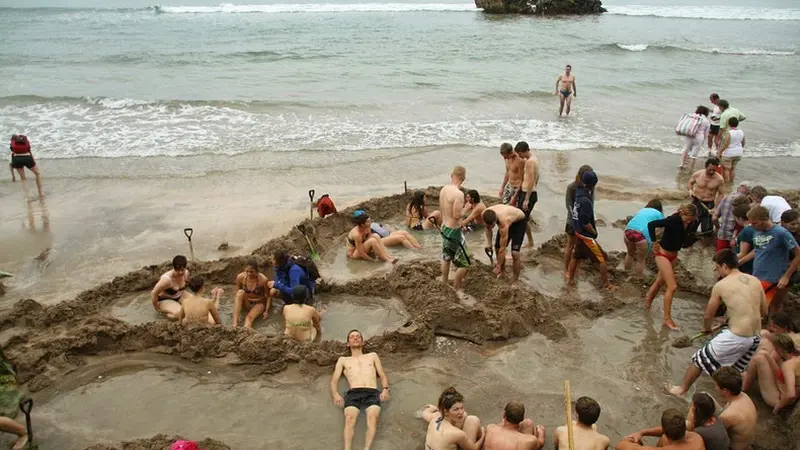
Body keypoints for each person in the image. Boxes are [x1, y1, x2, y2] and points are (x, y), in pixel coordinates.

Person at [669, 249, 766, 397]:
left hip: (738, 336)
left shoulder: (721, 285)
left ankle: (681, 390)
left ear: (725, 266)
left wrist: (707, 329)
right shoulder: (755, 280)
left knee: (699, 359)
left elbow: (708, 315)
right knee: (732, 370)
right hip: (755, 337)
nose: (717, 272)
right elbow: (764, 312)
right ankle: (733, 399)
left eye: (717, 268)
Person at [330, 330, 390, 450]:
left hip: (372, 391)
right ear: (348, 343)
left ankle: (366, 449)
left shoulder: (372, 356)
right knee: (349, 419)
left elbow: (382, 375)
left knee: (372, 418)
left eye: (358, 336)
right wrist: (335, 394)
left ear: (362, 342)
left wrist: (385, 389)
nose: (355, 338)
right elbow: (334, 381)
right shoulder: (343, 360)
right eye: (352, 337)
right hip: (353, 392)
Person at [644, 204, 699, 330]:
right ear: (682, 213)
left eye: (691, 219)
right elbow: (651, 224)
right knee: (672, 286)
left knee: (659, 282)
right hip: (662, 254)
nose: (689, 221)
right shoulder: (673, 220)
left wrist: (693, 238)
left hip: (674, 256)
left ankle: (647, 303)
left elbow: (683, 241)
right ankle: (667, 319)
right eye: (687, 219)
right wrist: (654, 241)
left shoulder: (691, 223)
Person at [626, 393, 728, 450]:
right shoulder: (710, 419)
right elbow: (674, 427)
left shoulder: (699, 434)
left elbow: (620, 446)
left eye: (691, 408)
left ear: (696, 412)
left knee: (664, 438)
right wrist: (642, 432)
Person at [566, 171, 614, 290]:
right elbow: (585, 221)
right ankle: (606, 285)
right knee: (601, 259)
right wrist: (593, 231)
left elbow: (577, 180)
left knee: (576, 257)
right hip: (586, 236)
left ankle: (570, 279)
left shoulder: (578, 192)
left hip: (578, 233)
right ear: (594, 185)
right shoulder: (586, 201)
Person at [748, 205, 799, 312]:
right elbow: (758, 250)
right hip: (757, 276)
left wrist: (786, 276)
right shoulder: (757, 231)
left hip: (774, 278)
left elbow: (798, 254)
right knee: (754, 308)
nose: (751, 226)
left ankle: (772, 326)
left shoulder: (781, 233)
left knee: (770, 307)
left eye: (754, 223)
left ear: (764, 220)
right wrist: (739, 261)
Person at [743, 333, 799, 412]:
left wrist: (778, 407)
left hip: (778, 398)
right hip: (781, 385)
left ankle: (743, 388)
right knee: (763, 354)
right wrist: (768, 357)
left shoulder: (788, 365)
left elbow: (791, 394)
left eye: (775, 349)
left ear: (779, 349)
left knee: (758, 359)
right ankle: (746, 379)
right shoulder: (796, 354)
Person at [440, 166, 470, 290]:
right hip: (454, 231)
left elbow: (442, 209)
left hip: (445, 227)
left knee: (446, 258)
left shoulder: (444, 189)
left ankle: (445, 283)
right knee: (465, 263)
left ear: (451, 175)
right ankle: (456, 288)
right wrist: (466, 209)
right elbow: (457, 215)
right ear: (463, 178)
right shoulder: (458, 194)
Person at [712, 367, 756, 450]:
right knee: (704, 396)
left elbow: (715, 436)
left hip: (733, 447)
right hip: (747, 443)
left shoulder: (728, 415)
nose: (715, 388)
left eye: (716, 385)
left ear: (725, 390)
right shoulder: (744, 396)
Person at [615, 409, 704, 450]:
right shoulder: (697, 438)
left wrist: (632, 440)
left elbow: (619, 446)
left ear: (665, 430)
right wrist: (642, 432)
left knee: (636, 443)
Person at [563, 165, 594, 277]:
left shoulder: (590, 187)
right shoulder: (572, 187)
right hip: (573, 222)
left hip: (585, 223)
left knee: (579, 248)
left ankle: (575, 268)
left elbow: (591, 204)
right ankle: (566, 269)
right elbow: (569, 206)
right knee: (570, 245)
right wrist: (577, 221)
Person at [483, 204, 526, 282]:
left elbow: (503, 248)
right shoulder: (484, 213)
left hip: (519, 222)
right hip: (507, 215)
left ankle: (515, 280)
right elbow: (487, 228)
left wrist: (498, 264)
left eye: (493, 225)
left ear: (495, 220)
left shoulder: (504, 222)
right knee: (497, 247)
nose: (491, 227)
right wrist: (489, 244)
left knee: (515, 253)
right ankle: (502, 272)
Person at [624, 199, 664, 277]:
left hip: (628, 231)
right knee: (640, 259)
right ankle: (638, 277)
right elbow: (662, 228)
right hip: (642, 235)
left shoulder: (642, 210)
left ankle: (626, 272)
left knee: (629, 254)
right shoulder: (659, 214)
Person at [687, 157, 724, 239]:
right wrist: (690, 190)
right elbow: (690, 182)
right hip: (696, 201)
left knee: (707, 231)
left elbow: (721, 194)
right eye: (710, 169)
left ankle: (704, 247)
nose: (712, 172)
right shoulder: (698, 174)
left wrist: (716, 207)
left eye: (714, 170)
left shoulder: (719, 179)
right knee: (690, 226)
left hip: (709, 204)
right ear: (706, 166)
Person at [231, 258, 270, 328]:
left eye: (252, 272)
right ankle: (234, 325)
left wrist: (266, 311)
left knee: (248, 318)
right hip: (247, 301)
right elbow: (237, 294)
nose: (249, 274)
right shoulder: (240, 277)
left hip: (259, 303)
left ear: (257, 271)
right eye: (247, 271)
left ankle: (247, 330)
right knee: (240, 292)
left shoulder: (263, 280)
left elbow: (268, 296)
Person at [150, 255, 190, 321]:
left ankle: (178, 306)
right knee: (180, 314)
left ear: (185, 267)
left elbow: (186, 284)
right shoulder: (166, 279)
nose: (180, 272)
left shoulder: (186, 273)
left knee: (197, 305)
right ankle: (166, 316)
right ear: (173, 268)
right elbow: (154, 293)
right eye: (177, 270)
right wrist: (156, 307)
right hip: (165, 299)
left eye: (182, 270)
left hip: (180, 295)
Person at [714, 182, 751, 251]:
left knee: (719, 258)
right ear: (748, 192)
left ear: (738, 188)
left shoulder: (725, 198)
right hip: (737, 237)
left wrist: (718, 227)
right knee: (734, 258)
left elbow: (714, 218)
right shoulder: (745, 201)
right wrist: (734, 237)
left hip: (723, 233)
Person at [515, 141, 538, 248]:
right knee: (524, 219)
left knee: (521, 221)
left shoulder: (529, 162)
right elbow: (537, 177)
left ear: (522, 152)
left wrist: (527, 199)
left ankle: (519, 245)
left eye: (519, 154)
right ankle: (530, 241)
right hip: (530, 191)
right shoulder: (534, 158)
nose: (519, 156)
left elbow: (531, 180)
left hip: (527, 193)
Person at [678, 106, 711, 172]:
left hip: (689, 135)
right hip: (699, 137)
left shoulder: (692, 116)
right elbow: (706, 133)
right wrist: (703, 141)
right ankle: (690, 169)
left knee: (685, 150)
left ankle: (682, 164)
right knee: (694, 155)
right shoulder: (706, 121)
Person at [717, 117, 744, 183]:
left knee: (726, 169)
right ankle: (731, 182)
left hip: (729, 153)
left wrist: (719, 152)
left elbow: (726, 144)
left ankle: (727, 183)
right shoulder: (741, 131)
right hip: (738, 153)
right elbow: (743, 142)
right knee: (733, 168)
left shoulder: (729, 133)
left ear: (729, 124)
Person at [733, 204, 756, 274]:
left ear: (740, 218)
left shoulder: (746, 231)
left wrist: (727, 260)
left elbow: (743, 253)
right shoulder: (754, 228)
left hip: (746, 267)